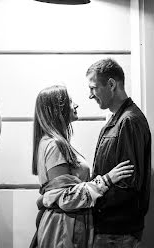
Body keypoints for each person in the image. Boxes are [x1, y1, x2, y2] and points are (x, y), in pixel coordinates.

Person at [30, 85, 134, 248]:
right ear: (58, 109)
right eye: (70, 102)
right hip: (64, 230)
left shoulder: (52, 142)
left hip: (67, 226)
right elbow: (66, 198)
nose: (76, 105)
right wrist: (106, 181)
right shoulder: (54, 145)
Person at [86, 58, 151, 248]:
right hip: (112, 229)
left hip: (117, 232)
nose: (90, 95)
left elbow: (127, 184)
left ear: (111, 84)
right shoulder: (120, 119)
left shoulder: (128, 121)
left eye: (93, 88)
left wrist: (91, 201)